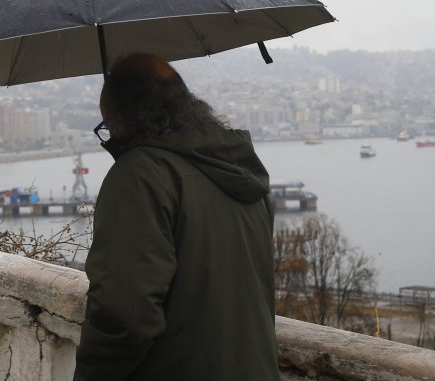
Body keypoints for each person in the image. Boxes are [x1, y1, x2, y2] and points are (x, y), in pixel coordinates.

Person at [73, 53, 280, 381]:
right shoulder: (244, 172)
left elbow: (125, 314)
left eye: (106, 126)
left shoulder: (139, 176)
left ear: (122, 120)